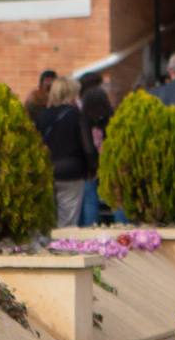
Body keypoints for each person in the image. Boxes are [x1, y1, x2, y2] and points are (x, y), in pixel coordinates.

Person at [35, 76, 95, 227]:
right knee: (68, 221)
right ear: (72, 94)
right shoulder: (77, 116)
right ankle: (62, 247)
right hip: (71, 171)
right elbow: (87, 147)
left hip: (46, 172)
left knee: (47, 218)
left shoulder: (41, 116)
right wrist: (92, 168)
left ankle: (47, 247)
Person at [77, 71, 115, 226]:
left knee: (89, 202)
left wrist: (91, 166)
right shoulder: (110, 116)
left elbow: (86, 145)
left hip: (89, 167)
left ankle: (89, 234)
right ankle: (123, 230)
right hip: (109, 164)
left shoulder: (83, 117)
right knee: (116, 201)